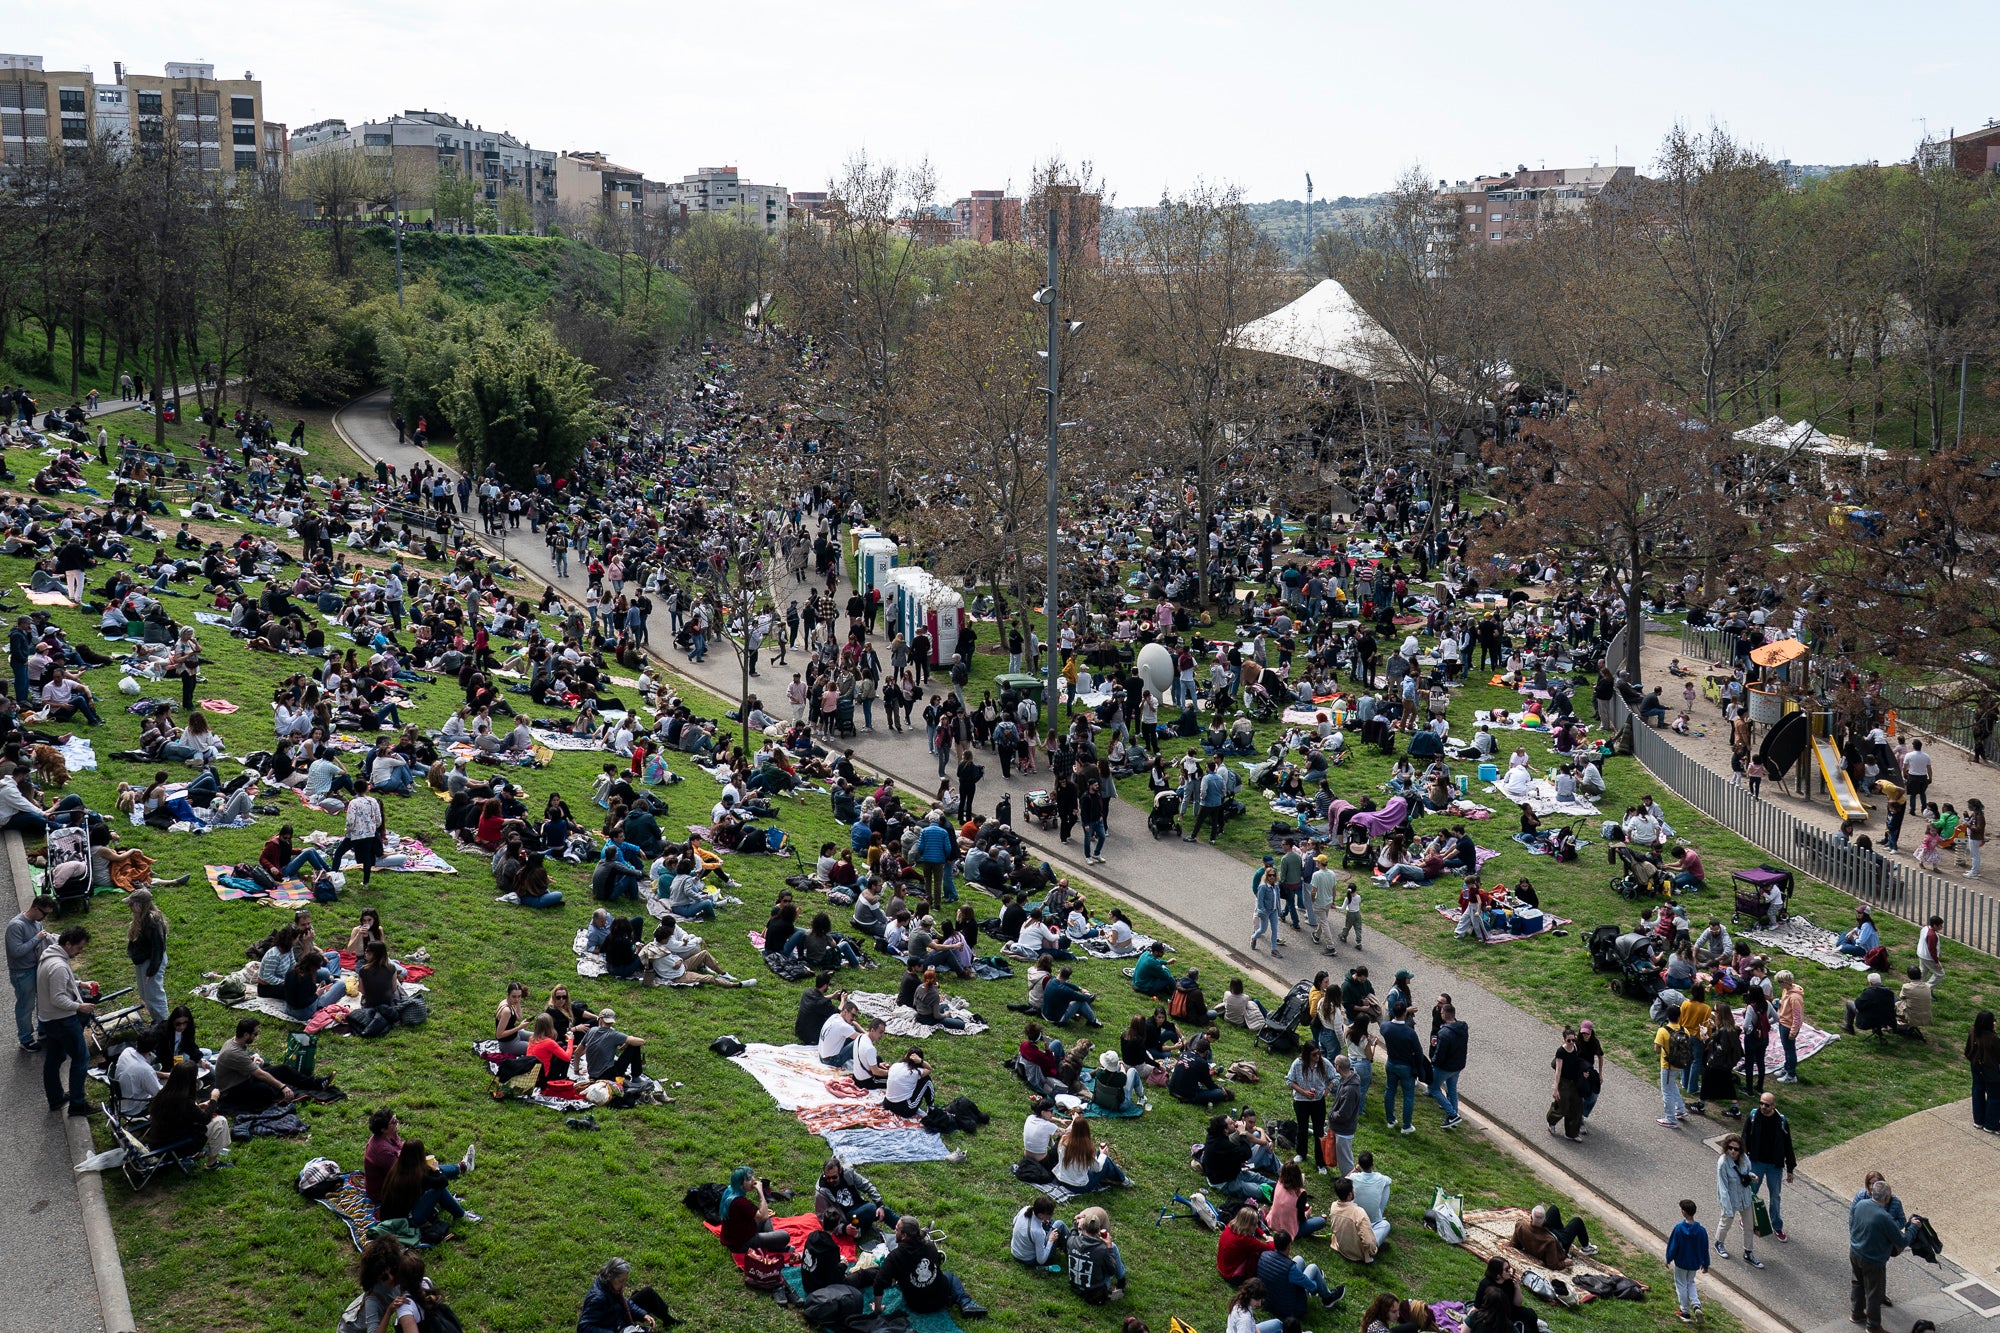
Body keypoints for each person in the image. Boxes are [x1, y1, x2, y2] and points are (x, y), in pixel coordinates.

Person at [870, 1216, 989, 1319]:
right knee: (949, 1276)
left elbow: (879, 1282)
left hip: (917, 1305)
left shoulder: (894, 1257)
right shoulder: (930, 1246)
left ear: (904, 1235)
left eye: (896, 1229)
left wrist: (878, 1308)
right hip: (940, 1297)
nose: (893, 1231)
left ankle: (960, 1302)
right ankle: (966, 1303)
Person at [1849, 1178, 1923, 1332]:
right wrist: (1914, 1227)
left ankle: (1856, 1314)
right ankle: (1873, 1327)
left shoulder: (1861, 1204)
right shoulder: (1884, 1217)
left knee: (1857, 1283)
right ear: (1887, 1198)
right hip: (1873, 1260)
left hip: (1855, 1251)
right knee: (1875, 1294)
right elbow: (1902, 1241)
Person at [36, 924, 95, 1115]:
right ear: (68, 944)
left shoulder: (50, 958)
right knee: (81, 1058)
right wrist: (80, 1006)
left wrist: (79, 983)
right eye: (79, 948)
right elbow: (58, 998)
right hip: (62, 1020)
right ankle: (78, 1103)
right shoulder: (59, 966)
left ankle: (55, 1099)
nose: (80, 952)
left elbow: (57, 984)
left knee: (54, 1058)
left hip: (48, 1020)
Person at [144, 1060, 231, 1169]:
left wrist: (198, 1107)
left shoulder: (164, 1094)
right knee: (220, 1122)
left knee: (212, 1120)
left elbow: (178, 1114)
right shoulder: (185, 1101)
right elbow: (205, 1119)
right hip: (175, 1147)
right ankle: (212, 1164)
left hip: (157, 1142)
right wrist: (214, 1099)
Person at [377, 1138, 480, 1229]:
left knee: (434, 1178)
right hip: (407, 1222)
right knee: (438, 1189)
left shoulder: (398, 1168)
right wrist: (436, 1170)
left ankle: (462, 1167)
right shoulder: (416, 1177)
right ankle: (461, 1214)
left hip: (390, 1216)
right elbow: (443, 1182)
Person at [1741, 1091, 1796, 1243]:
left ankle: (1777, 1226)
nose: (1763, 1107)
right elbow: (1744, 1137)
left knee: (1775, 1196)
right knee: (1751, 1192)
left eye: (1766, 1105)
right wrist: (1742, 1160)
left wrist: (1790, 1168)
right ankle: (1747, 1219)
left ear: (1773, 1105)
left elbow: (1788, 1145)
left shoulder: (1781, 1121)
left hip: (1774, 1165)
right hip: (1756, 1161)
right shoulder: (1753, 1116)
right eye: (1761, 1103)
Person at [1253, 1228, 1343, 1318]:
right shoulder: (1290, 1268)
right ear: (1289, 1246)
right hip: (1289, 1308)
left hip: (1269, 1300)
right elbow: (1312, 1286)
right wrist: (1316, 1281)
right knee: (1313, 1268)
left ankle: (1318, 1280)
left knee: (1298, 1259)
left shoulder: (1264, 1255)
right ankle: (1328, 1298)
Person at [575, 1256, 676, 1333]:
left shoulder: (610, 1286)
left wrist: (643, 1315)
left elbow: (625, 1302)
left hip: (616, 1315)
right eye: (621, 1281)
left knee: (647, 1293)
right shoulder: (598, 1298)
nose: (624, 1284)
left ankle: (668, 1319)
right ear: (611, 1277)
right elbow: (583, 1327)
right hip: (610, 1324)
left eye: (625, 1280)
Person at [7, 893, 54, 1050]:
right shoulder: (16, 925)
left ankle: (43, 1031)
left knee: (42, 1001)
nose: (44, 918)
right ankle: (25, 1039)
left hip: (36, 968)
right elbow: (16, 951)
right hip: (22, 973)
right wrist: (37, 938)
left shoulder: (36, 923)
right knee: (25, 1007)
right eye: (44, 913)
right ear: (35, 907)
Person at [814, 1156, 898, 1239]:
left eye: (834, 1177)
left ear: (840, 1170)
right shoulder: (822, 1191)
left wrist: (879, 1204)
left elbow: (867, 1185)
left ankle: (905, 1230)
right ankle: (864, 1228)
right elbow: (823, 1219)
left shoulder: (848, 1173)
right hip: (845, 1218)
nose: (831, 1180)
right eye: (828, 1178)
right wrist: (843, 1229)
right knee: (870, 1208)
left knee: (884, 1210)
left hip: (860, 1207)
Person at [1713, 1135, 1764, 1268]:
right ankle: (1719, 1243)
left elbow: (1746, 1172)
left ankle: (1748, 1252)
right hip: (1730, 1199)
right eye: (1730, 1148)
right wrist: (1727, 1209)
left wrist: (1752, 1176)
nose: (1733, 1151)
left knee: (1749, 1226)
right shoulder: (1723, 1163)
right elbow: (1722, 1188)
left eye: (1736, 1149)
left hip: (1745, 1198)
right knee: (1726, 1223)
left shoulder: (1744, 1159)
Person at [1286, 1040, 1333, 1171]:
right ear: (1307, 1055)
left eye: (1318, 1053)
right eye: (1314, 1055)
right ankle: (1301, 1153)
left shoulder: (1324, 1063)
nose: (1317, 1057)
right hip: (1301, 1101)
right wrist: (1303, 1092)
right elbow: (1289, 1080)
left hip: (1318, 1102)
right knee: (1302, 1127)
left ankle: (1320, 1162)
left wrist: (1327, 1089)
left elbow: (1335, 1076)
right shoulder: (1297, 1064)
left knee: (1319, 1131)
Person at [124, 888, 170, 1022]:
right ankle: (157, 1020)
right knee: (145, 994)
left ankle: (163, 1023)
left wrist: (151, 971)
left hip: (151, 962)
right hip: (143, 961)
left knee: (154, 995)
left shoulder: (152, 921)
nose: (129, 907)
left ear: (140, 905)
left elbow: (158, 948)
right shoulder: (141, 919)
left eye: (132, 904)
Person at [1066, 1206, 1128, 1304]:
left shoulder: (1071, 1241)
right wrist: (1109, 1247)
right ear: (1099, 1229)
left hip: (1075, 1288)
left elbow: (1073, 1233)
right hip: (1095, 1294)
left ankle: (1120, 1282)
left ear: (1083, 1227)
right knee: (1113, 1247)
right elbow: (1111, 1271)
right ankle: (1121, 1281)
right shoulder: (1102, 1250)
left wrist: (1075, 1224)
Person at [1664, 1199, 1711, 1324]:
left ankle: (1685, 1312)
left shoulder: (1679, 1229)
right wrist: (1705, 1264)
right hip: (1694, 1264)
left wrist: (1668, 1258)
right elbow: (1705, 1248)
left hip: (1681, 1262)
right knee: (1691, 1282)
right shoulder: (1701, 1231)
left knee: (1681, 1285)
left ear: (1683, 1212)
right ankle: (1696, 1305)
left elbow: (1673, 1245)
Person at [1054, 1115, 1129, 1192]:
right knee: (1106, 1161)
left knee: (1098, 1154)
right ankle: (1124, 1180)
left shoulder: (1063, 1140)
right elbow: (1097, 1169)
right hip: (1078, 1187)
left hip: (1061, 1180)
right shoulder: (1086, 1148)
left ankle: (1114, 1172)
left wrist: (1075, 1121)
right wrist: (1103, 1154)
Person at [1509, 1203, 1595, 1269]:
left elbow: (1514, 1244)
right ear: (1545, 1220)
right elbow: (1553, 1265)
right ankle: (1586, 1248)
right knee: (1577, 1221)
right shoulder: (1549, 1242)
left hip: (1544, 1231)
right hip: (1559, 1241)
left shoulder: (1520, 1225)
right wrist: (1566, 1263)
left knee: (1553, 1209)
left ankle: (1562, 1230)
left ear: (1531, 1217)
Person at [1326, 1176, 1381, 1264]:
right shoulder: (1359, 1212)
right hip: (1358, 1253)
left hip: (1342, 1247)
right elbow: (1369, 1242)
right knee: (1384, 1225)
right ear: (1350, 1194)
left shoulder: (1333, 1206)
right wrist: (1372, 1252)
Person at [1217, 1205, 1274, 1284]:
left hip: (1221, 1267)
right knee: (1257, 1255)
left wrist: (1264, 1235)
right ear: (1248, 1225)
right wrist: (1271, 1241)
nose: (1255, 1227)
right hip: (1232, 1276)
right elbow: (1269, 1249)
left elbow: (1256, 1228)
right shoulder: (1246, 1240)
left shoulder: (1231, 1225)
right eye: (1254, 1225)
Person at [1011, 1195, 1068, 1268]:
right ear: (1041, 1215)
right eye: (1050, 1214)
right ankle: (1071, 1251)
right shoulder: (1038, 1232)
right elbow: (1041, 1260)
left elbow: (1014, 1221)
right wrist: (1050, 1240)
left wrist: (1042, 1221)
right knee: (1059, 1224)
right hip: (1029, 1260)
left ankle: (1061, 1243)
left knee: (1051, 1222)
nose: (1052, 1215)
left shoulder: (1025, 1209)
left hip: (1016, 1251)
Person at [1969, 1010, 2000, 1134]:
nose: (1995, 1023)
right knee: (1995, 1096)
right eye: (1994, 1020)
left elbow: (1968, 1049)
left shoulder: (1972, 1031)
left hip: (1976, 1065)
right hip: (1990, 1069)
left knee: (1978, 1090)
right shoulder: (1993, 1039)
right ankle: (1991, 1124)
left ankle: (1979, 1120)